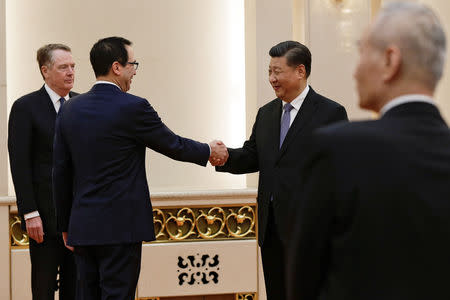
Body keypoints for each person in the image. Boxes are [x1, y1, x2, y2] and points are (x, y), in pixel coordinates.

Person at [286, 2, 450, 300]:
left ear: (390, 61)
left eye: (361, 52)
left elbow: (303, 283)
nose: (355, 70)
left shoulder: (336, 150)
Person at [52, 36, 227, 300]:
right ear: (117, 67)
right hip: (122, 228)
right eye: (133, 64)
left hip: (83, 227)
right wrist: (209, 150)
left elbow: (60, 172)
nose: (135, 70)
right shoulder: (133, 107)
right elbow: (174, 145)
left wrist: (66, 225)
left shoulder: (69, 110)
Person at [214, 41, 348, 299]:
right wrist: (224, 156)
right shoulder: (266, 113)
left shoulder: (330, 113)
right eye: (269, 72)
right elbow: (253, 156)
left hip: (310, 230)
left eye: (277, 71)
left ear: (300, 71)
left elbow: (340, 170)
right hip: (271, 228)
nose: (272, 79)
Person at [8, 44, 78, 300]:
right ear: (45, 71)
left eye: (72, 66)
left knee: (78, 289)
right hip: (44, 219)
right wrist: (30, 213)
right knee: (44, 288)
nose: (70, 72)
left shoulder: (82, 103)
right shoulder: (25, 107)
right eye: (63, 67)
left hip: (79, 218)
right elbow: (20, 164)